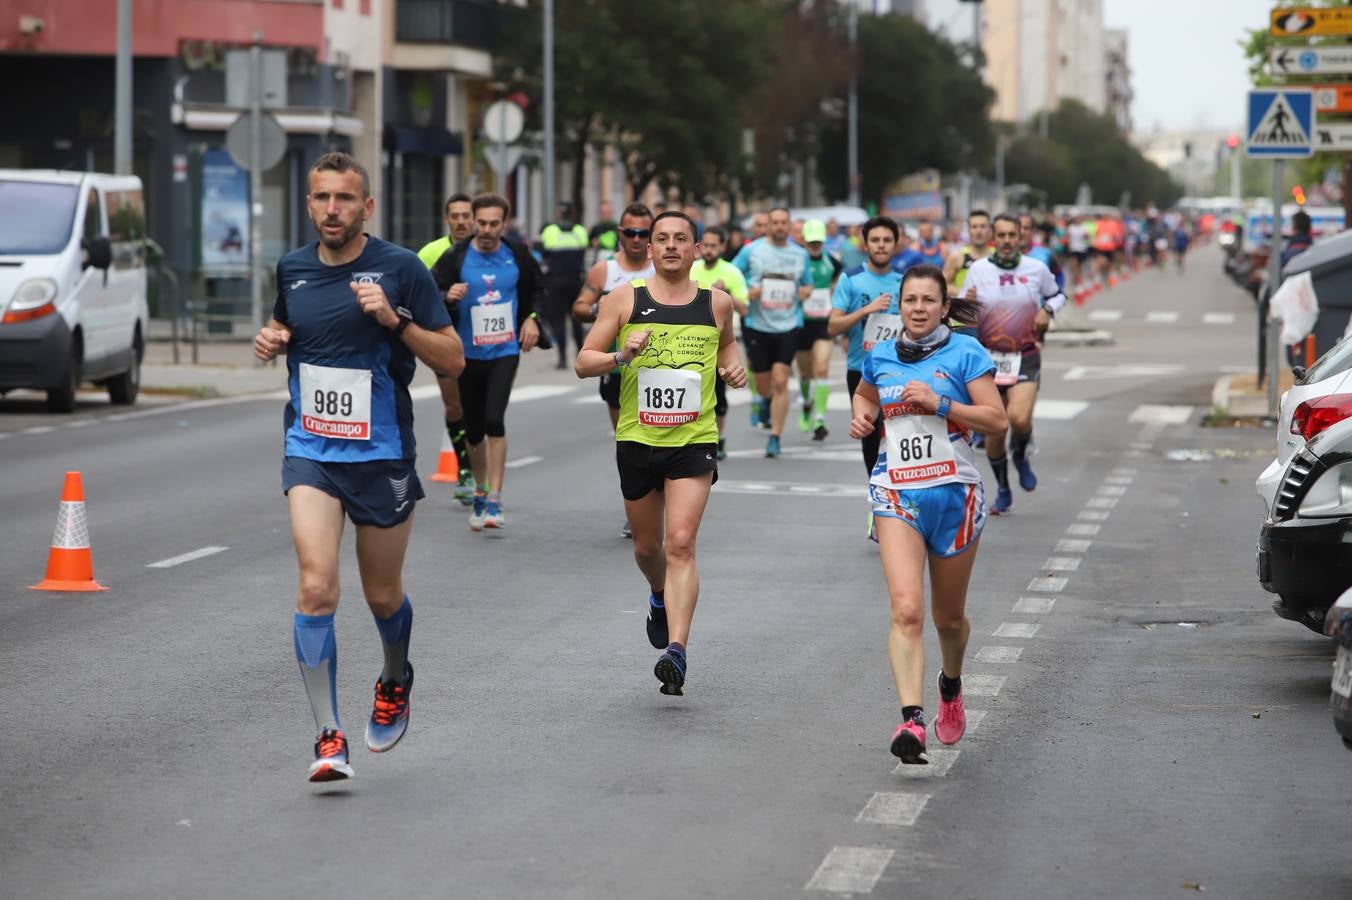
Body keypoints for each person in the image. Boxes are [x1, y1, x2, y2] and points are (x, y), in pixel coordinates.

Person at [253, 151, 464, 782]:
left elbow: (451, 359)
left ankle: (396, 674)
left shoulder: (399, 269)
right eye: (321, 198)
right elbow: (284, 328)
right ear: (310, 203)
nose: (332, 210)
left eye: (344, 199)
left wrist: (393, 319)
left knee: (381, 593)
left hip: (382, 453)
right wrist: (269, 341)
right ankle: (327, 735)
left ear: (366, 206)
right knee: (316, 585)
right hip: (312, 450)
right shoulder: (291, 269)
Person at [574, 210, 748, 695]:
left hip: (694, 440)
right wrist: (619, 356)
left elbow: (728, 347)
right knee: (648, 549)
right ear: (649, 249)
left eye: (681, 239)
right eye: (662, 239)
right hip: (637, 439)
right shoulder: (623, 299)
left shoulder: (718, 304)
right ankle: (657, 595)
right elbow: (583, 363)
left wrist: (733, 369)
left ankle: (677, 651)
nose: (671, 246)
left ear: (697, 250)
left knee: (682, 544)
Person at [847, 263, 1006, 764]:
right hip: (897, 492)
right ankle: (911, 720)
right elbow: (864, 394)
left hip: (955, 495)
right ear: (899, 303)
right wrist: (862, 416)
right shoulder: (881, 355)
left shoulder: (966, 351)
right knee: (907, 609)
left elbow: (997, 420)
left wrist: (941, 404)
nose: (917, 309)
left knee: (948, 618)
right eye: (909, 300)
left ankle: (951, 685)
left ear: (942, 306)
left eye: (927, 301)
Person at [431, 193, 544, 532]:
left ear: (504, 223)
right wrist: (447, 295)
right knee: (474, 427)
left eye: (495, 223)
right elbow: (429, 291)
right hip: (466, 354)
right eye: (482, 223)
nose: (487, 230)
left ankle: (495, 496)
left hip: (504, 351)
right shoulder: (457, 256)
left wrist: (532, 318)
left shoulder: (517, 254)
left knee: (495, 420)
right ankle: (480, 488)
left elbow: (537, 287)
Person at [963, 213, 1066, 515]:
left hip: (1025, 354)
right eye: (1002, 235)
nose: (1007, 241)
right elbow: (958, 308)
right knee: (995, 432)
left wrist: (1048, 308)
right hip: (988, 358)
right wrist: (965, 302)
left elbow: (1059, 294)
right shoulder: (978, 270)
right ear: (994, 238)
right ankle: (1003, 488)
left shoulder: (1036, 268)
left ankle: (1020, 455)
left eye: (1013, 235)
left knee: (1019, 419)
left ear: (1021, 236)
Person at [575, 202, 656, 539]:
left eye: (643, 233)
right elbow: (579, 307)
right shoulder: (603, 271)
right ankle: (634, 511)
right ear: (620, 233)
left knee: (662, 441)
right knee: (630, 442)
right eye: (630, 232)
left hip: (659, 369)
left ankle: (656, 506)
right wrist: (600, 308)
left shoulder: (663, 269)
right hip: (617, 367)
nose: (636, 239)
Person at [830, 215, 904, 479]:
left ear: (896, 244)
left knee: (899, 434)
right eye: (875, 240)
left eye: (887, 240)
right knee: (870, 437)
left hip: (900, 370)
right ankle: (877, 497)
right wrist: (865, 311)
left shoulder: (905, 281)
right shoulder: (850, 279)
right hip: (861, 371)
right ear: (865, 244)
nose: (881, 245)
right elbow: (833, 326)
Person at [735, 206, 812, 457]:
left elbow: (808, 284)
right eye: (775, 222)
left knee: (781, 379)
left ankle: (775, 436)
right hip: (757, 324)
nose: (779, 226)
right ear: (767, 225)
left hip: (789, 323)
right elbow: (732, 274)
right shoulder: (752, 250)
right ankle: (765, 400)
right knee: (764, 383)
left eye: (783, 222)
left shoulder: (800, 254)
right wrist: (747, 290)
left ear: (789, 225)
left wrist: (805, 292)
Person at [416, 192, 476, 504]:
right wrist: (445, 295)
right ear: (447, 219)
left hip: (481, 341)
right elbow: (415, 297)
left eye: (467, 216)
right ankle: (465, 468)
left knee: (479, 409)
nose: (462, 221)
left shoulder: (486, 249)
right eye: (456, 216)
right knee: (455, 407)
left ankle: (481, 468)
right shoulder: (430, 252)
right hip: (443, 338)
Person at [691, 224, 750, 459]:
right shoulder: (691, 270)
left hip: (720, 342)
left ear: (722, 247)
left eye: (714, 246)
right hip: (691, 342)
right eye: (705, 245)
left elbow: (745, 309)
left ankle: (720, 438)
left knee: (718, 393)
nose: (708, 250)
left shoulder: (732, 272)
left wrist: (725, 294)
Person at [797, 219, 842, 439]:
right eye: (812, 241)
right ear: (804, 240)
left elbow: (837, 280)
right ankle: (807, 402)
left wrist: (832, 293)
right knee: (805, 372)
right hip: (801, 323)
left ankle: (820, 419)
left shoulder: (832, 261)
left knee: (821, 369)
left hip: (823, 322)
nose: (815, 245)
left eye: (819, 241)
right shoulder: (796, 261)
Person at [540, 203, 590, 368]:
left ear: (558, 215)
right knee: (576, 318)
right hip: (576, 280)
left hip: (556, 281)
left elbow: (544, 252)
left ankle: (562, 358)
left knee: (558, 320)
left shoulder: (550, 231)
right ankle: (579, 353)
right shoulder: (580, 231)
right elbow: (584, 250)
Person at [943, 210, 992, 297]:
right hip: (966, 309)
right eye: (974, 227)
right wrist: (963, 292)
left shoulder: (997, 256)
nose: (979, 231)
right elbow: (942, 285)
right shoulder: (957, 257)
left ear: (989, 230)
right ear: (968, 230)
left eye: (983, 226)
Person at [1019, 212, 1065, 291]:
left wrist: (1055, 298)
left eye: (1026, 228)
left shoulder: (1045, 254)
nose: (1022, 232)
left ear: (1033, 231)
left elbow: (1059, 275)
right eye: (1018, 228)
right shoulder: (1001, 256)